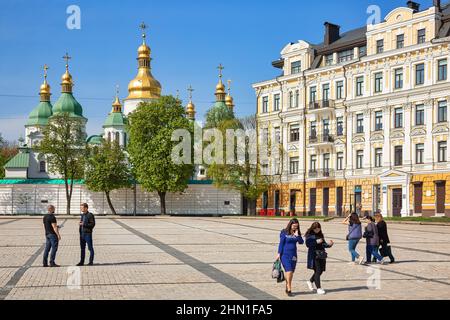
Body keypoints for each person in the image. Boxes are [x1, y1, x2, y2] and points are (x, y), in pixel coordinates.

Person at [276, 218, 304, 296]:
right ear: (290, 224)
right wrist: (279, 254)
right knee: (289, 270)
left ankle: (287, 285)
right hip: (284, 255)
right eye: (294, 226)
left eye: (296, 226)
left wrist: (297, 236)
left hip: (293, 255)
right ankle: (289, 288)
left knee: (291, 273)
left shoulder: (297, 233)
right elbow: (281, 243)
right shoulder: (284, 232)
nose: (295, 227)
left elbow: (301, 242)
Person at [305, 222, 334, 295]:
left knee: (321, 271)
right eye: (315, 228)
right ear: (313, 228)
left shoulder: (320, 235)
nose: (317, 229)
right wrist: (316, 242)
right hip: (314, 255)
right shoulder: (309, 235)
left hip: (321, 255)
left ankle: (310, 281)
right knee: (317, 270)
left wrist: (329, 245)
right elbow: (308, 245)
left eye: (318, 228)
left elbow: (323, 244)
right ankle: (319, 288)